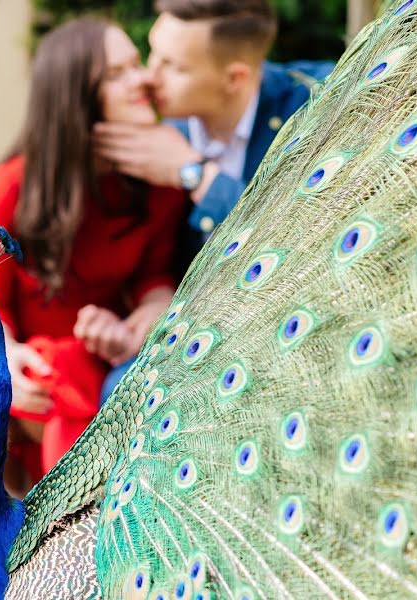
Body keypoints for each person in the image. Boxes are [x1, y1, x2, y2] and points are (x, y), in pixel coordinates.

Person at [0, 18, 187, 496]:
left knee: (58, 374)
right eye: (118, 72)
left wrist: (150, 313)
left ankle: (60, 528)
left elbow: (156, 275)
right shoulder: (15, 185)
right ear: (75, 97)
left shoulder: (157, 185)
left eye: (137, 64)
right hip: (12, 344)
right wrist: (4, 358)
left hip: (92, 347)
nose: (142, 79)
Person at [94, 0, 336, 402]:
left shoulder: (317, 108)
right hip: (189, 335)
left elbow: (301, 241)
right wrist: (151, 301)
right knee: (121, 391)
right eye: (153, 53)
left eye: (173, 66)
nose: (148, 77)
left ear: (235, 77)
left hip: (290, 326)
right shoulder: (152, 126)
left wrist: (196, 175)